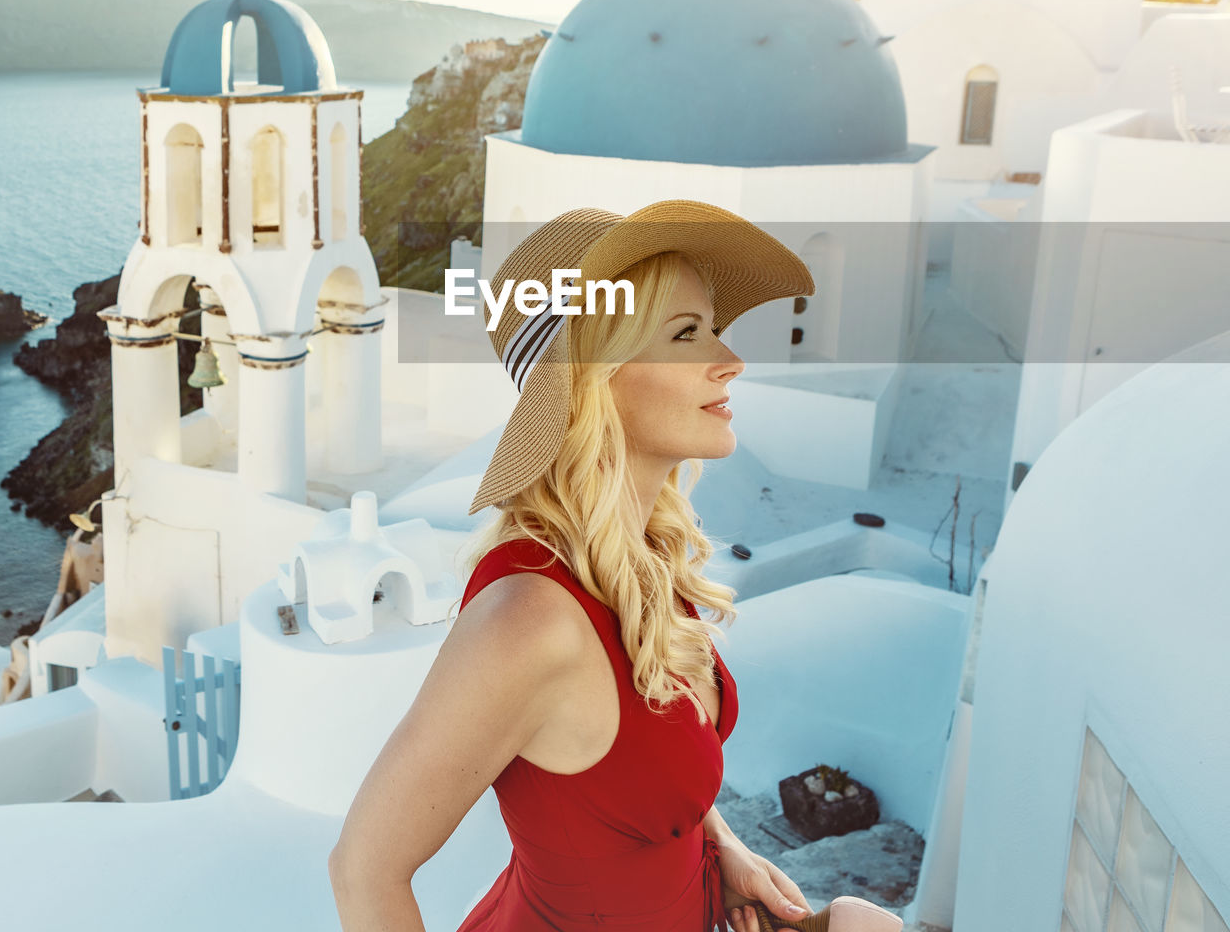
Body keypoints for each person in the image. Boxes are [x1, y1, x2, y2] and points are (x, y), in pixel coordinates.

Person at [328, 201, 899, 932]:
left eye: (713, 327)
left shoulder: (642, 557)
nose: (730, 358)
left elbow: (640, 772)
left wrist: (722, 846)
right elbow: (363, 871)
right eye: (685, 334)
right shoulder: (529, 618)